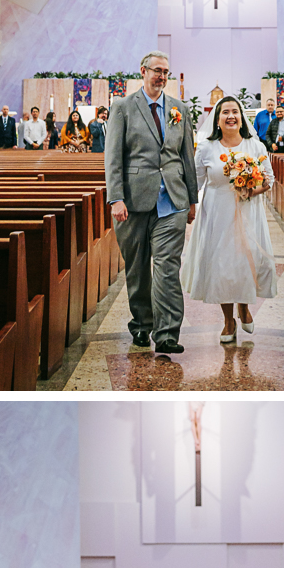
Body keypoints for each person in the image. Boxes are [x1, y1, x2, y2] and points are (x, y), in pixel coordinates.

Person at [105, 51, 197, 354]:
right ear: (143, 71)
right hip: (133, 201)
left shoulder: (179, 109)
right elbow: (113, 158)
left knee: (168, 266)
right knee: (138, 269)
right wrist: (116, 198)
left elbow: (187, 157)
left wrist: (192, 199)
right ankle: (142, 324)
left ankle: (168, 332)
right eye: (157, 71)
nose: (162, 76)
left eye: (166, 71)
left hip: (172, 199)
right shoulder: (122, 108)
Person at [181, 95, 276, 344]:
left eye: (235, 111)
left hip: (247, 211)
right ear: (217, 118)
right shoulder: (206, 148)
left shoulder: (255, 146)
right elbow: (196, 183)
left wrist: (251, 190)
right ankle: (228, 320)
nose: (231, 116)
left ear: (242, 117)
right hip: (217, 211)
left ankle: (244, 307)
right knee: (221, 265)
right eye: (225, 112)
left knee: (245, 260)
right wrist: (187, 207)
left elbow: (269, 179)